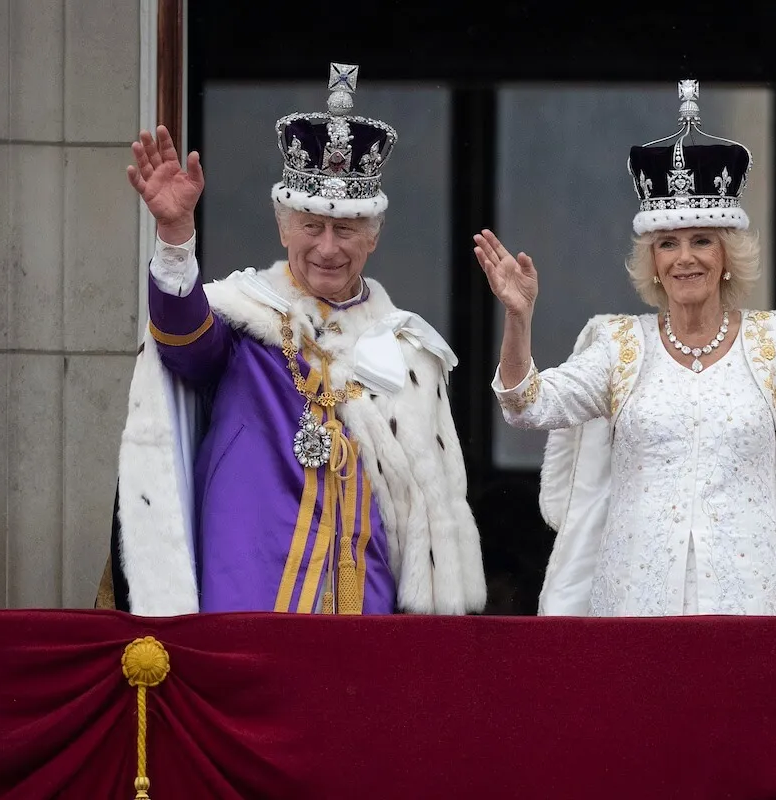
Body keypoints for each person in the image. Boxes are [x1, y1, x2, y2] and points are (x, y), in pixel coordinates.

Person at [97, 63, 485, 616]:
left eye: (346, 229)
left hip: (364, 597)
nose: (328, 247)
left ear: (372, 238)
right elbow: (184, 344)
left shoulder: (407, 350)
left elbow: (424, 512)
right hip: (251, 585)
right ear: (282, 228)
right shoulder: (245, 320)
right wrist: (176, 238)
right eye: (311, 226)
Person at [476, 80, 776, 617]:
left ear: (727, 253)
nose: (685, 257)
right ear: (654, 262)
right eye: (669, 243)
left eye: (702, 240)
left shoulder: (775, 339)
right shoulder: (621, 345)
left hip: (754, 598)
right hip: (636, 601)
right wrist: (518, 319)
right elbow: (529, 405)